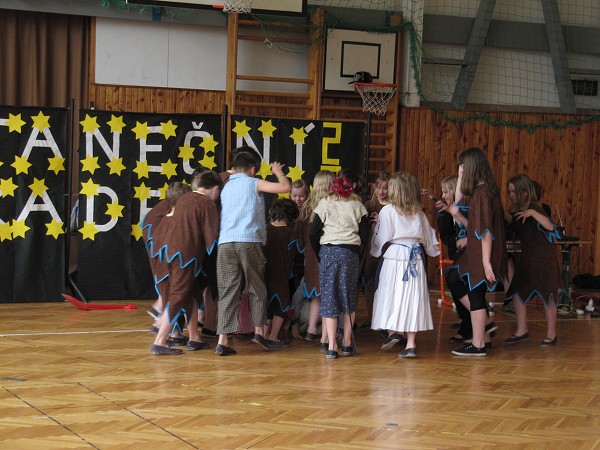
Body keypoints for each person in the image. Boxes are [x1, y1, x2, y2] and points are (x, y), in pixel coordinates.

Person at [215, 149, 291, 356]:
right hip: (249, 241)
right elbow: (285, 187)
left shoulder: (226, 186)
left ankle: (222, 339)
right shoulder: (253, 182)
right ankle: (258, 331)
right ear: (253, 169)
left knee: (228, 291)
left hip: (225, 243)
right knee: (256, 286)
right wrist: (277, 171)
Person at [441, 147, 508, 357]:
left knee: (475, 292)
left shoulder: (483, 193)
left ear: (470, 167)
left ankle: (479, 343)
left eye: (463, 166)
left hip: (482, 252)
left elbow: (485, 230)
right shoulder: (483, 190)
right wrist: (457, 214)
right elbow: (470, 218)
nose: (460, 169)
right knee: (457, 278)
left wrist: (487, 262)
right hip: (478, 250)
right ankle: (483, 337)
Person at [147, 172, 222, 355]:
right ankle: (160, 341)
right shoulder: (206, 203)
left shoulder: (183, 198)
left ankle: (194, 338)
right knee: (179, 295)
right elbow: (212, 238)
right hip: (184, 255)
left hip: (167, 252)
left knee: (191, 293)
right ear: (215, 189)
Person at [370, 172, 440, 358]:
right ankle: (410, 343)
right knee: (412, 297)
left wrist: (374, 250)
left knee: (390, 293)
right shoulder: (418, 212)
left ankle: (393, 331)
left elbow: (382, 236)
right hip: (415, 257)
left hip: (394, 256)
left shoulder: (388, 211)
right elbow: (429, 237)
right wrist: (433, 251)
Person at [309, 170, 369, 359]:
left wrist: (320, 253)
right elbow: (365, 236)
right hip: (350, 253)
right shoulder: (358, 205)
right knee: (348, 296)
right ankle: (347, 343)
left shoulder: (324, 204)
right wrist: (355, 252)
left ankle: (332, 345)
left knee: (329, 297)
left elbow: (312, 232)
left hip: (328, 252)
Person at [503, 174, 562, 346]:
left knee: (548, 296)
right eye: (509, 192)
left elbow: (551, 227)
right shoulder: (519, 211)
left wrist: (532, 213)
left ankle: (551, 334)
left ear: (524, 192)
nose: (511, 195)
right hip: (528, 260)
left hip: (544, 260)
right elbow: (513, 224)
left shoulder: (536, 207)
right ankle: (522, 329)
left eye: (513, 191)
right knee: (517, 292)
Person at [290, 170, 335, 346]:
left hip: (310, 255)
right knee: (327, 295)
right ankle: (325, 335)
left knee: (316, 294)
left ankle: (310, 329)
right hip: (325, 252)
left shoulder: (309, 206)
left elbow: (301, 236)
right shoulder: (330, 204)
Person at [264, 198, 300, 348]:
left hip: (264, 273)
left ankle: (264, 335)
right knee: (282, 304)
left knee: (267, 306)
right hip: (281, 274)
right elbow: (292, 256)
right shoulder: (290, 234)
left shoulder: (264, 229)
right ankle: (273, 336)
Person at [360, 172, 391, 328]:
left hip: (388, 250)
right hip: (372, 249)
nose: (382, 191)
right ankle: (372, 318)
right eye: (379, 187)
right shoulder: (369, 205)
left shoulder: (394, 206)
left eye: (385, 188)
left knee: (386, 284)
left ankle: (385, 319)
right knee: (369, 282)